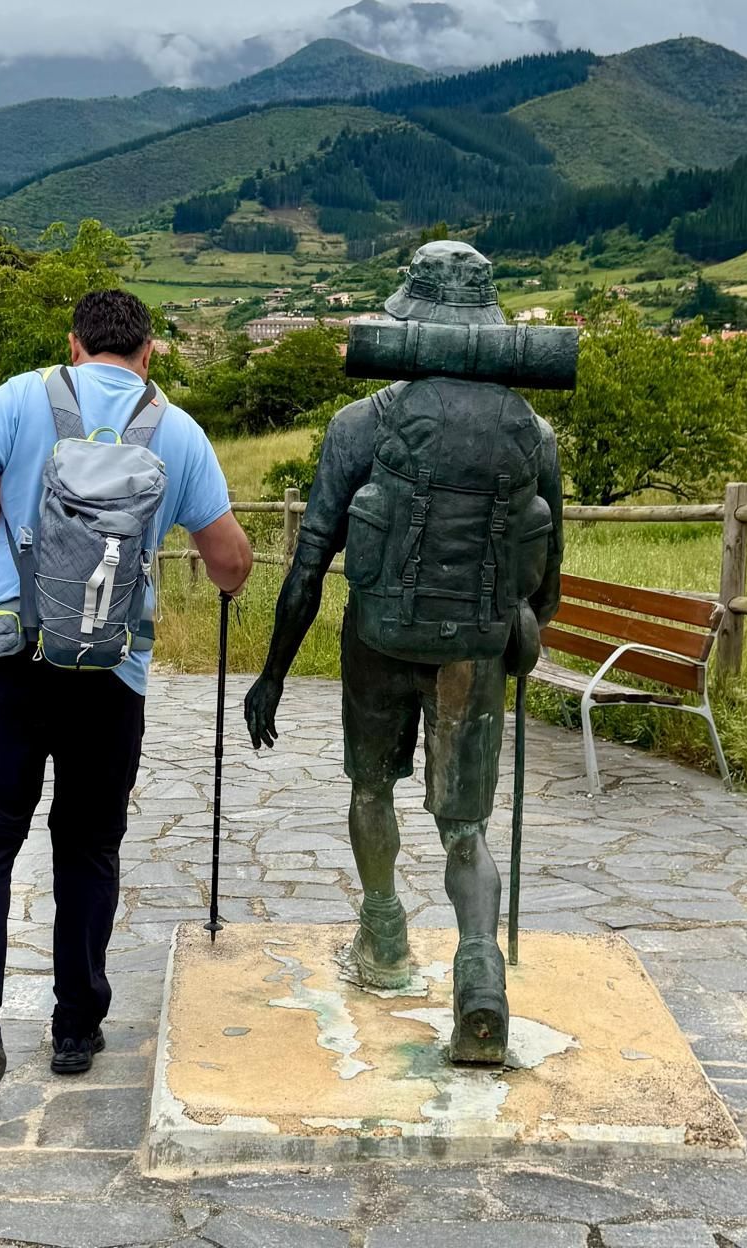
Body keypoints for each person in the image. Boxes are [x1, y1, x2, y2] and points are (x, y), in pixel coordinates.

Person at [0, 289, 252, 1117]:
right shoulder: (178, 432)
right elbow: (230, 564)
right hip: (111, 672)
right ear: (149, 351)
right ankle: (75, 1026)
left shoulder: (21, 398)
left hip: (9, 659)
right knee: (88, 845)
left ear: (74, 345)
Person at [244, 242, 562, 1064]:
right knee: (467, 828)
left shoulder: (363, 424)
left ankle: (383, 934)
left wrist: (273, 673)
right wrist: (515, 643)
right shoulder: (533, 433)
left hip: (379, 639)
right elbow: (546, 582)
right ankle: (479, 967)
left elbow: (309, 563)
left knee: (370, 785)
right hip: (475, 654)